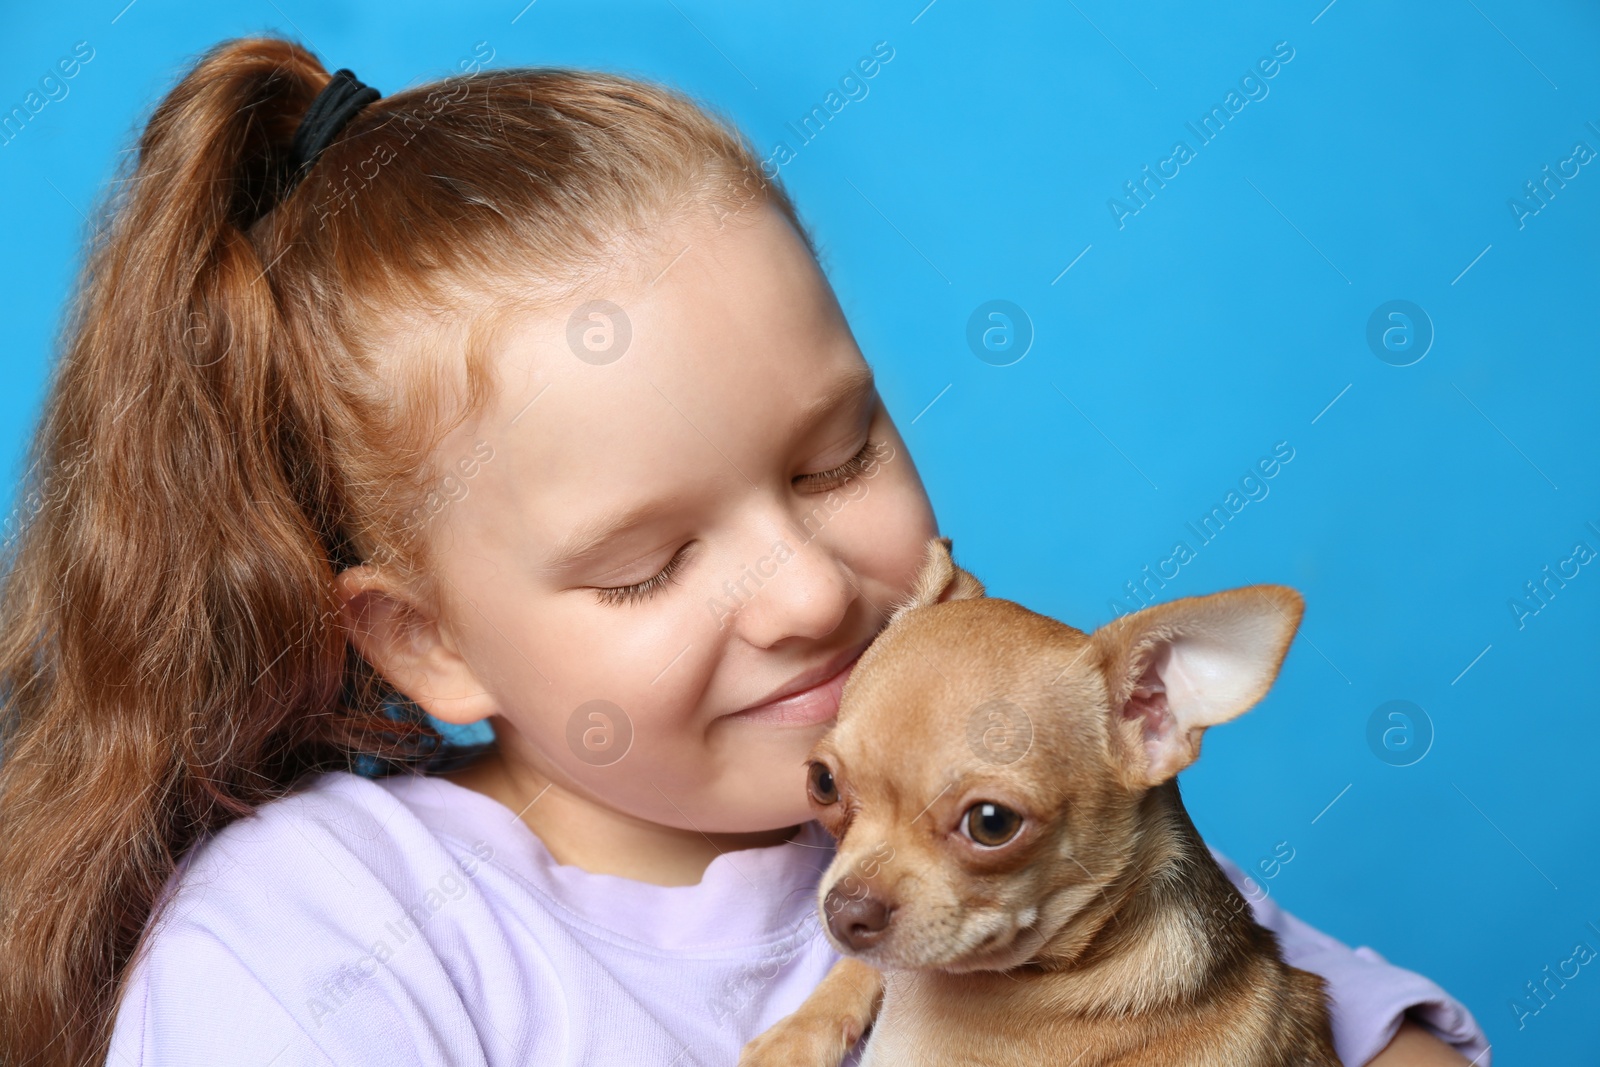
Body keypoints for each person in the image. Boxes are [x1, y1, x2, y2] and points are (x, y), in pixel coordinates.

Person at [0, 37, 1487, 1067]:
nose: (805, 594)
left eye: (837, 458)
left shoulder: (1014, 802)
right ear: (425, 637)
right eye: (647, 563)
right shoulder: (331, 933)